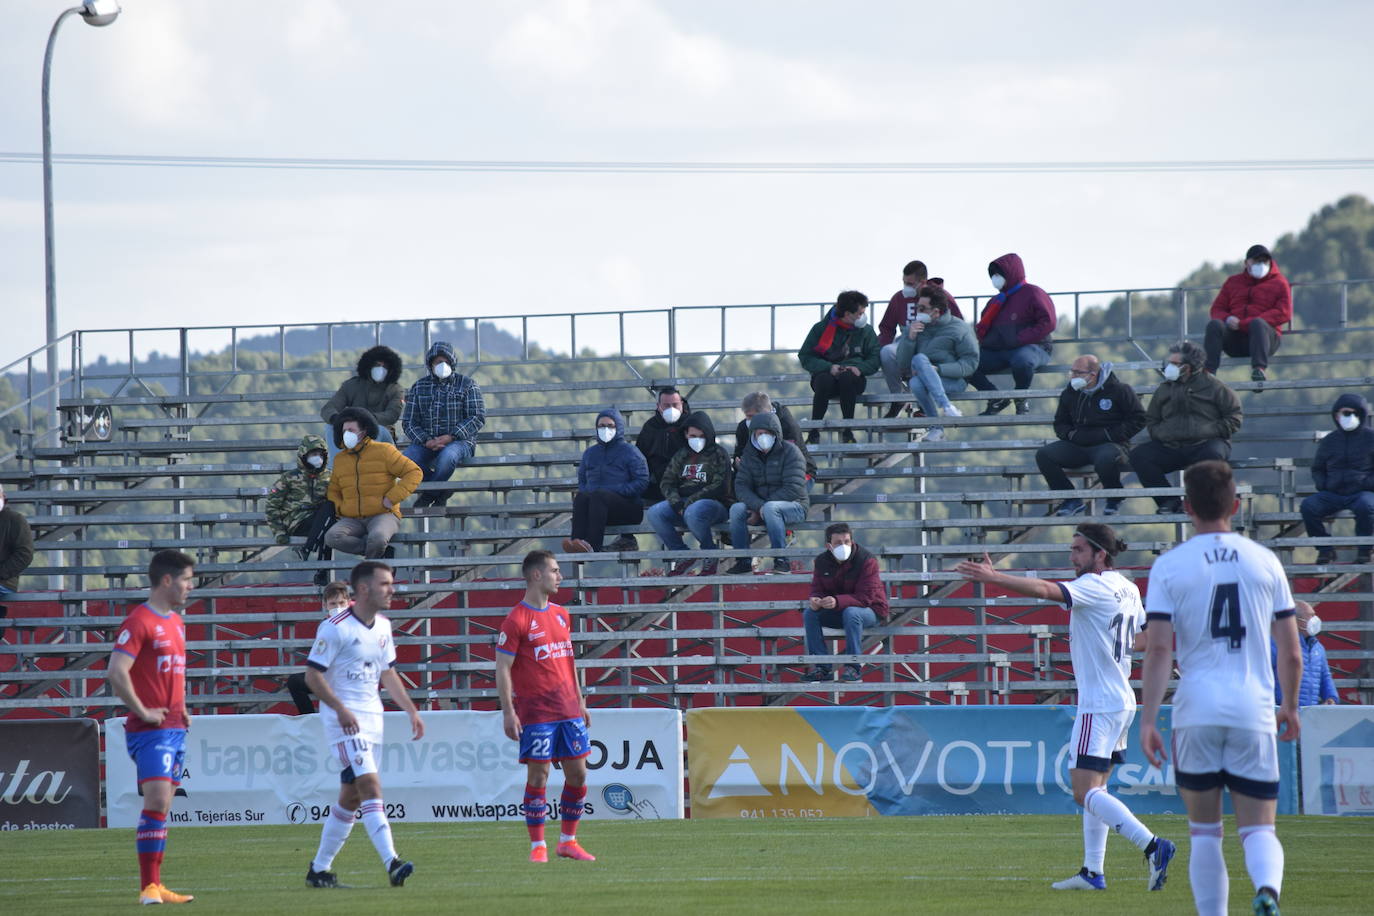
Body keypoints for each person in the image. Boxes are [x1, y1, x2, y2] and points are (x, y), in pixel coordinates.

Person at [956, 526, 1175, 893]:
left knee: (1083, 791)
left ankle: (1153, 846)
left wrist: (995, 578)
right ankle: (1093, 872)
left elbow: (1045, 591)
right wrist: (1113, 642)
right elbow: (1146, 638)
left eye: (1078, 550)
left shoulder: (1093, 585)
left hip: (1098, 702)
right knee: (1098, 789)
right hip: (1121, 699)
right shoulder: (1127, 587)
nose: (1072, 557)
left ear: (1100, 554)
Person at [1140, 460, 1301, 916]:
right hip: (1253, 709)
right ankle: (1267, 889)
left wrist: (1148, 719)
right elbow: (1291, 652)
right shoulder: (1264, 561)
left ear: (1187, 506)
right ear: (1236, 505)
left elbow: (1158, 649)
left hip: (1197, 710)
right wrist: (1290, 706)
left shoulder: (1170, 566)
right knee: (1259, 830)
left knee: (1205, 833)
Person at [304, 561, 424, 889]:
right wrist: (340, 709)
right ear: (364, 589)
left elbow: (388, 672)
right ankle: (392, 863)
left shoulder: (383, 626)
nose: (392, 589)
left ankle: (319, 870)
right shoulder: (335, 627)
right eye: (385, 584)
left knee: (351, 798)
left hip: (373, 720)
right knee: (371, 786)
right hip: (344, 723)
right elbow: (312, 676)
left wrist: (410, 710)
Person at [107, 549, 197, 906]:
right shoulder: (139, 621)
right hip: (150, 730)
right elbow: (117, 671)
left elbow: (176, 670)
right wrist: (142, 709)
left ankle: (156, 885)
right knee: (157, 799)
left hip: (175, 727)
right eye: (187, 580)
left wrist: (182, 706)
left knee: (163, 806)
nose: (190, 586)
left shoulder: (176, 622)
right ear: (167, 580)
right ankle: (147, 887)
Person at [495, 550, 597, 864]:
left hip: (568, 708)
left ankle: (568, 841)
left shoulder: (561, 614)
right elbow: (502, 668)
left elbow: (568, 659)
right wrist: (508, 712)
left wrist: (580, 701)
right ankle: (538, 845)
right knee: (539, 776)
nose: (560, 576)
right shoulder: (516, 620)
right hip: (537, 711)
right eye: (555, 570)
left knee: (578, 774)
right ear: (537, 575)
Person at [1129, 342, 1243, 514]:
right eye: (1170, 363)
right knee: (1140, 456)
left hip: (1206, 444)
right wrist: (1162, 434)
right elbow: (1152, 419)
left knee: (1213, 455)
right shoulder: (1164, 389)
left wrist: (1208, 431)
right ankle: (1168, 501)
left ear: (1188, 367)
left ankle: (1195, 503)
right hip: (1172, 446)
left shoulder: (1215, 387)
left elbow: (1234, 418)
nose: (1169, 367)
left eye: (1175, 363)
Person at [1038, 354, 1147, 516]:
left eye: (1078, 372)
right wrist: (1071, 435)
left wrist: (1110, 435)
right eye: (1072, 372)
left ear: (1093, 374)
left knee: (1105, 458)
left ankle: (1114, 497)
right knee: (1044, 455)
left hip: (1111, 443)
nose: (1073, 376)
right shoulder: (1070, 393)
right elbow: (1060, 423)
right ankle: (1070, 499)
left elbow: (1139, 419)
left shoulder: (1120, 390)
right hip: (1078, 445)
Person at [325, 407, 423, 559]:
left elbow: (414, 472)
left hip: (383, 514)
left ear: (363, 431)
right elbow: (334, 491)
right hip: (352, 519)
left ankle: (370, 566)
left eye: (351, 430)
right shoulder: (340, 459)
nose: (346, 434)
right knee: (332, 537)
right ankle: (380, 555)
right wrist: (340, 508)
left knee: (377, 538)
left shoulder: (384, 451)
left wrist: (392, 498)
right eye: (344, 431)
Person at [968, 253, 1056, 416]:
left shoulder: (1033, 293)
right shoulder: (995, 302)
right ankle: (995, 398)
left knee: (1022, 360)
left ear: (1010, 273)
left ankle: (1021, 397)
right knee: (967, 364)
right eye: (993, 275)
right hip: (1001, 350)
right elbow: (985, 329)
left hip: (1034, 347)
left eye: (998, 274)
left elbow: (1048, 322)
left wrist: (1019, 338)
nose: (995, 278)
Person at [402, 341, 486, 508]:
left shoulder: (467, 384)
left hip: (460, 441)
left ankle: (429, 493)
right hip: (427, 443)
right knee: (405, 460)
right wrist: (426, 440)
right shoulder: (419, 387)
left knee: (447, 457)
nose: (442, 365)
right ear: (431, 364)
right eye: (438, 362)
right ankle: (441, 490)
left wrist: (451, 436)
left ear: (452, 363)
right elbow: (409, 422)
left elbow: (477, 417)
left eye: (446, 361)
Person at [888, 286, 978, 441]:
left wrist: (939, 369)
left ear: (936, 312)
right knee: (915, 382)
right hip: (923, 380)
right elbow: (902, 363)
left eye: (922, 309)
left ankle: (939, 420)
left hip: (953, 380)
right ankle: (945, 411)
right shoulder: (914, 328)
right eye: (917, 308)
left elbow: (970, 363)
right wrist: (910, 338)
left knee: (919, 361)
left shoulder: (959, 328)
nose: (918, 312)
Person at [648, 410, 731, 577]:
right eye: (693, 436)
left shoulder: (719, 454)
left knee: (694, 512)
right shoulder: (681, 455)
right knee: (654, 513)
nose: (697, 440)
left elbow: (720, 485)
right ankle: (682, 554)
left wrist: (690, 502)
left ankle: (710, 553)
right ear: (686, 434)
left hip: (713, 504)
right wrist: (676, 503)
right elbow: (667, 482)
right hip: (684, 504)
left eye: (701, 436)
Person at [727, 412, 809, 575]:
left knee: (771, 508)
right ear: (753, 435)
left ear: (776, 433)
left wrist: (762, 508)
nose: (763, 437)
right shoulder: (748, 455)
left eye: (768, 433)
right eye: (760, 433)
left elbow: (793, 488)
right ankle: (742, 561)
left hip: (795, 505)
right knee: (736, 509)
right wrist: (759, 507)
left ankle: (781, 560)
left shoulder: (791, 452)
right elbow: (741, 486)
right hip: (761, 507)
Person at [804, 523, 888, 682]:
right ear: (828, 546)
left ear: (852, 541)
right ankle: (822, 668)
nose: (843, 546)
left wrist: (837, 601)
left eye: (847, 541)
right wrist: (815, 599)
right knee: (810, 614)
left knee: (852, 612)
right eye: (838, 543)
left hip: (872, 611)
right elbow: (817, 588)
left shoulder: (867, 560)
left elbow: (865, 598)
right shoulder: (821, 561)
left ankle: (853, 667)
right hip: (840, 611)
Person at [877, 260, 962, 417]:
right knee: (887, 352)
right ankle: (898, 398)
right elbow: (887, 327)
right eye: (904, 282)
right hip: (906, 341)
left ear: (923, 282)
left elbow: (958, 324)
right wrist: (881, 347)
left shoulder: (941, 297)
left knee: (923, 358)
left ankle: (925, 404)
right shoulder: (899, 298)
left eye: (910, 283)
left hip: (933, 344)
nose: (906, 287)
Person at [798, 290, 880, 444]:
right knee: (824, 380)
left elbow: (875, 357)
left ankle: (848, 431)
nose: (863, 316)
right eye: (860, 313)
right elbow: (806, 356)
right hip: (826, 377)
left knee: (847, 377)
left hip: (853, 379)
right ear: (847, 314)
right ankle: (814, 431)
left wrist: (860, 368)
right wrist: (829, 367)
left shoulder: (866, 331)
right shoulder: (820, 329)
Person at [562, 408, 649, 554]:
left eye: (610, 425)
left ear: (618, 427)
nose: (605, 429)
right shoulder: (590, 453)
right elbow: (582, 481)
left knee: (600, 495)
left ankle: (592, 546)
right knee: (581, 497)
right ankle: (577, 544)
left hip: (628, 508)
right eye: (601, 426)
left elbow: (642, 481)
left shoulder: (630, 452)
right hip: (598, 509)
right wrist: (588, 493)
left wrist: (617, 490)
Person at [1302, 394, 1374, 565]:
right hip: (1333, 493)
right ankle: (1325, 550)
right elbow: (1318, 468)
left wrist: (1367, 484)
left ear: (1360, 414)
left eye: (1350, 413)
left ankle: (1365, 550)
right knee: (1308, 506)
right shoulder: (1329, 441)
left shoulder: (1371, 438)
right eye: (1342, 414)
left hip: (1363, 492)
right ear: (1335, 416)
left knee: (1366, 506)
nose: (1346, 417)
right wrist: (1324, 485)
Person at [1205, 245, 1291, 381]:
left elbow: (1284, 312)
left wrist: (1245, 323)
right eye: (1256, 261)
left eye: (1264, 261)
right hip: (1236, 340)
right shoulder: (1232, 282)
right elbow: (1216, 309)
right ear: (1246, 263)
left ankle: (1259, 370)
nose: (1261, 264)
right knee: (1215, 325)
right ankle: (1209, 372)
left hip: (1265, 340)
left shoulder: (1280, 282)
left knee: (1258, 323)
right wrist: (1227, 319)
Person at [320, 345, 403, 460]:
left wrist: (366, 420)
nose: (380, 369)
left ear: (391, 369)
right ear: (368, 365)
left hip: (382, 431)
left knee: (377, 429)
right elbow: (329, 408)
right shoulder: (352, 385)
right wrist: (338, 419)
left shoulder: (395, 389)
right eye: (377, 365)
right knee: (330, 427)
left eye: (385, 366)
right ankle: (335, 465)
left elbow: (392, 415)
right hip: (353, 429)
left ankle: (369, 464)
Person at [285, 581, 351, 715]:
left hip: (350, 676)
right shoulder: (325, 625)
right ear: (325, 605)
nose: (338, 607)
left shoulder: (356, 624)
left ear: (348, 603)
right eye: (333, 604)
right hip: (329, 675)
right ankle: (310, 718)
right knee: (295, 681)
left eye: (341, 603)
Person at [266, 434, 333, 562]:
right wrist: (279, 532)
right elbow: (272, 506)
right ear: (304, 455)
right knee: (329, 523)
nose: (318, 458)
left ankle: (320, 565)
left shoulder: (330, 477)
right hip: (297, 522)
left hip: (321, 520)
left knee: (330, 521)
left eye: (320, 454)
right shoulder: (289, 478)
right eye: (313, 454)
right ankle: (310, 553)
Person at [733, 392, 816, 486]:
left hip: (799, 473)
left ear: (764, 413)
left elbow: (793, 460)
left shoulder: (787, 425)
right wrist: (739, 464)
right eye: (747, 416)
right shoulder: (743, 427)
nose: (748, 420)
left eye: (751, 416)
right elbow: (739, 453)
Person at [1271, 601, 1338, 707]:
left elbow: (1325, 676)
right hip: (1281, 711)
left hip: (1309, 712)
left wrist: (1331, 697)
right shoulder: (1276, 644)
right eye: (1311, 615)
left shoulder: (1318, 648)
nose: (1315, 619)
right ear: (1297, 621)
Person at [0, 483, 34, 613]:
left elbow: (24, 554)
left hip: (3, 582)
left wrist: (2, 573)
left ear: (3, 497)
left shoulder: (15, 520)